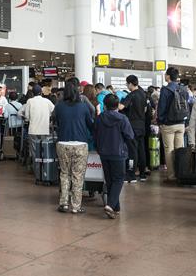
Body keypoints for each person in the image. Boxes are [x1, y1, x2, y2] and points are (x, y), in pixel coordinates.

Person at [53, 80, 94, 213]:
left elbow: (55, 121)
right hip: (80, 144)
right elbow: (90, 124)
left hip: (62, 143)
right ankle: (76, 206)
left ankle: (64, 203)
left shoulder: (59, 106)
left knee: (64, 174)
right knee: (78, 175)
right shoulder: (83, 106)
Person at [94, 93, 134, 219]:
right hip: (118, 153)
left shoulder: (99, 118)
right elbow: (130, 136)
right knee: (118, 179)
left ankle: (116, 207)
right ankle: (111, 205)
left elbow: (95, 134)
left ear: (104, 105)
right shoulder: (123, 119)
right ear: (117, 105)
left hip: (103, 153)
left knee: (110, 179)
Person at [157, 67, 189, 182]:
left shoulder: (166, 90)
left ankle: (171, 176)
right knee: (179, 150)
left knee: (169, 150)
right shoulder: (183, 88)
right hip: (181, 123)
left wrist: (160, 121)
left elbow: (161, 107)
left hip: (168, 124)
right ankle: (181, 173)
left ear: (168, 76)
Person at [121, 75, 150, 181]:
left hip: (132, 126)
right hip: (142, 125)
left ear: (130, 83)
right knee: (141, 150)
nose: (127, 86)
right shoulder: (143, 94)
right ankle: (142, 174)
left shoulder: (131, 95)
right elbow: (146, 110)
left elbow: (121, 107)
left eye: (127, 84)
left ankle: (131, 175)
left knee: (132, 151)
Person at [21, 84, 55, 166]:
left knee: (34, 151)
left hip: (33, 130)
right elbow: (54, 111)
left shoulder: (30, 101)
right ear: (41, 92)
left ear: (33, 93)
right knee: (44, 149)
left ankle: (36, 168)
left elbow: (27, 116)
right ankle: (44, 168)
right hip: (45, 130)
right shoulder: (47, 101)